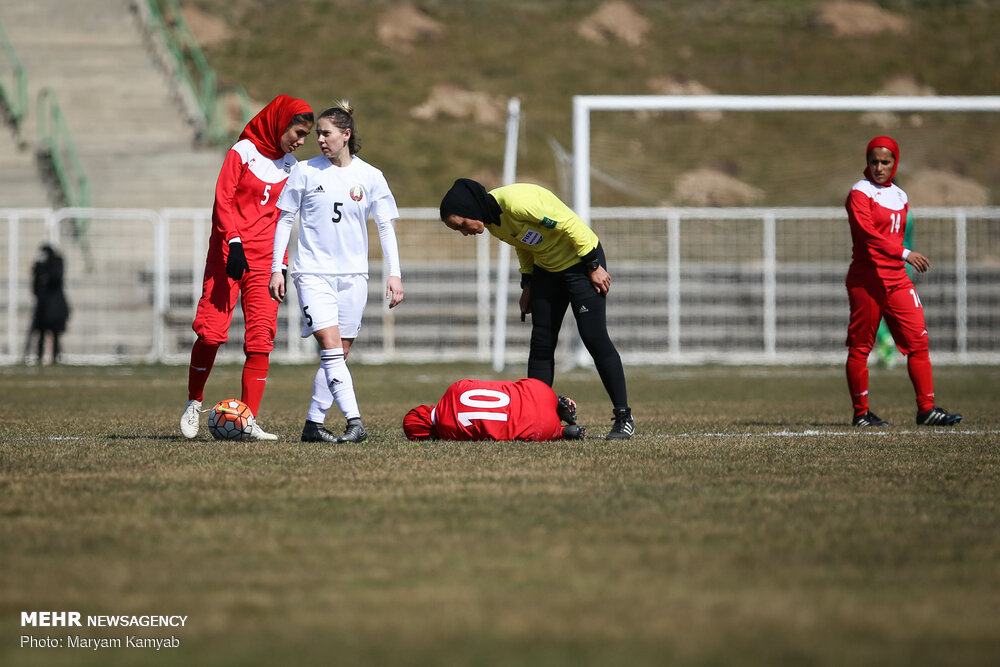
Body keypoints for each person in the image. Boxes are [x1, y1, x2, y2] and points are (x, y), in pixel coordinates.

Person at [439, 179, 634, 440]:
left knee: (594, 338)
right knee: (541, 344)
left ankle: (623, 418)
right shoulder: (493, 223)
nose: (464, 232)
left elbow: (569, 223)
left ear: (471, 209)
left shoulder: (517, 203)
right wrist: (528, 283)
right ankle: (536, 416)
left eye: (462, 225)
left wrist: (593, 265)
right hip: (546, 269)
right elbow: (523, 244)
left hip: (580, 261)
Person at [181, 94, 314, 440]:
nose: (300, 142)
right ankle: (194, 402)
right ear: (279, 123)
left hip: (264, 261)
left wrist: (279, 266)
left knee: (260, 340)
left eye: (305, 137)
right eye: (297, 133)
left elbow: (284, 218)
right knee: (210, 333)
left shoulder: (292, 167)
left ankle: (247, 419)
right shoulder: (242, 152)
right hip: (229, 253)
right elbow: (222, 199)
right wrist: (234, 242)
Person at [269, 101, 404, 444]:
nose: (320, 140)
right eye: (318, 135)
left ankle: (313, 425)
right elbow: (285, 219)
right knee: (330, 349)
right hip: (312, 273)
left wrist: (395, 273)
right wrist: (278, 269)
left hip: (354, 276)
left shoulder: (371, 177)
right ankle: (355, 422)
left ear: (346, 135)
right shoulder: (305, 171)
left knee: (339, 355)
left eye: (327, 134)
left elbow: (386, 227)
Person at [844, 136, 961, 427]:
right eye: (874, 162)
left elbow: (894, 235)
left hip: (897, 279)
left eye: (886, 162)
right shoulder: (860, 192)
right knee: (861, 347)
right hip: (867, 279)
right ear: (867, 163)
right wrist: (906, 253)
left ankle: (927, 409)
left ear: (895, 162)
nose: (879, 167)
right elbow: (869, 234)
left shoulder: (901, 196)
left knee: (918, 342)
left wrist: (902, 256)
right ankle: (861, 414)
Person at [402, 378, 584, 441]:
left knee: (518, 428)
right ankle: (557, 400)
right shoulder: (454, 388)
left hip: (540, 428)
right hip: (539, 390)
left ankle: (563, 432)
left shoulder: (449, 433)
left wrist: (555, 432)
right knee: (516, 389)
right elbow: (497, 385)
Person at [26, 244, 70, 364]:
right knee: (40, 334)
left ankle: (56, 356)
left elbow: (56, 279)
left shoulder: (56, 264)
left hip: (54, 307)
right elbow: (35, 287)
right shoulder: (39, 267)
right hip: (43, 306)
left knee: (55, 334)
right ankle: (39, 356)